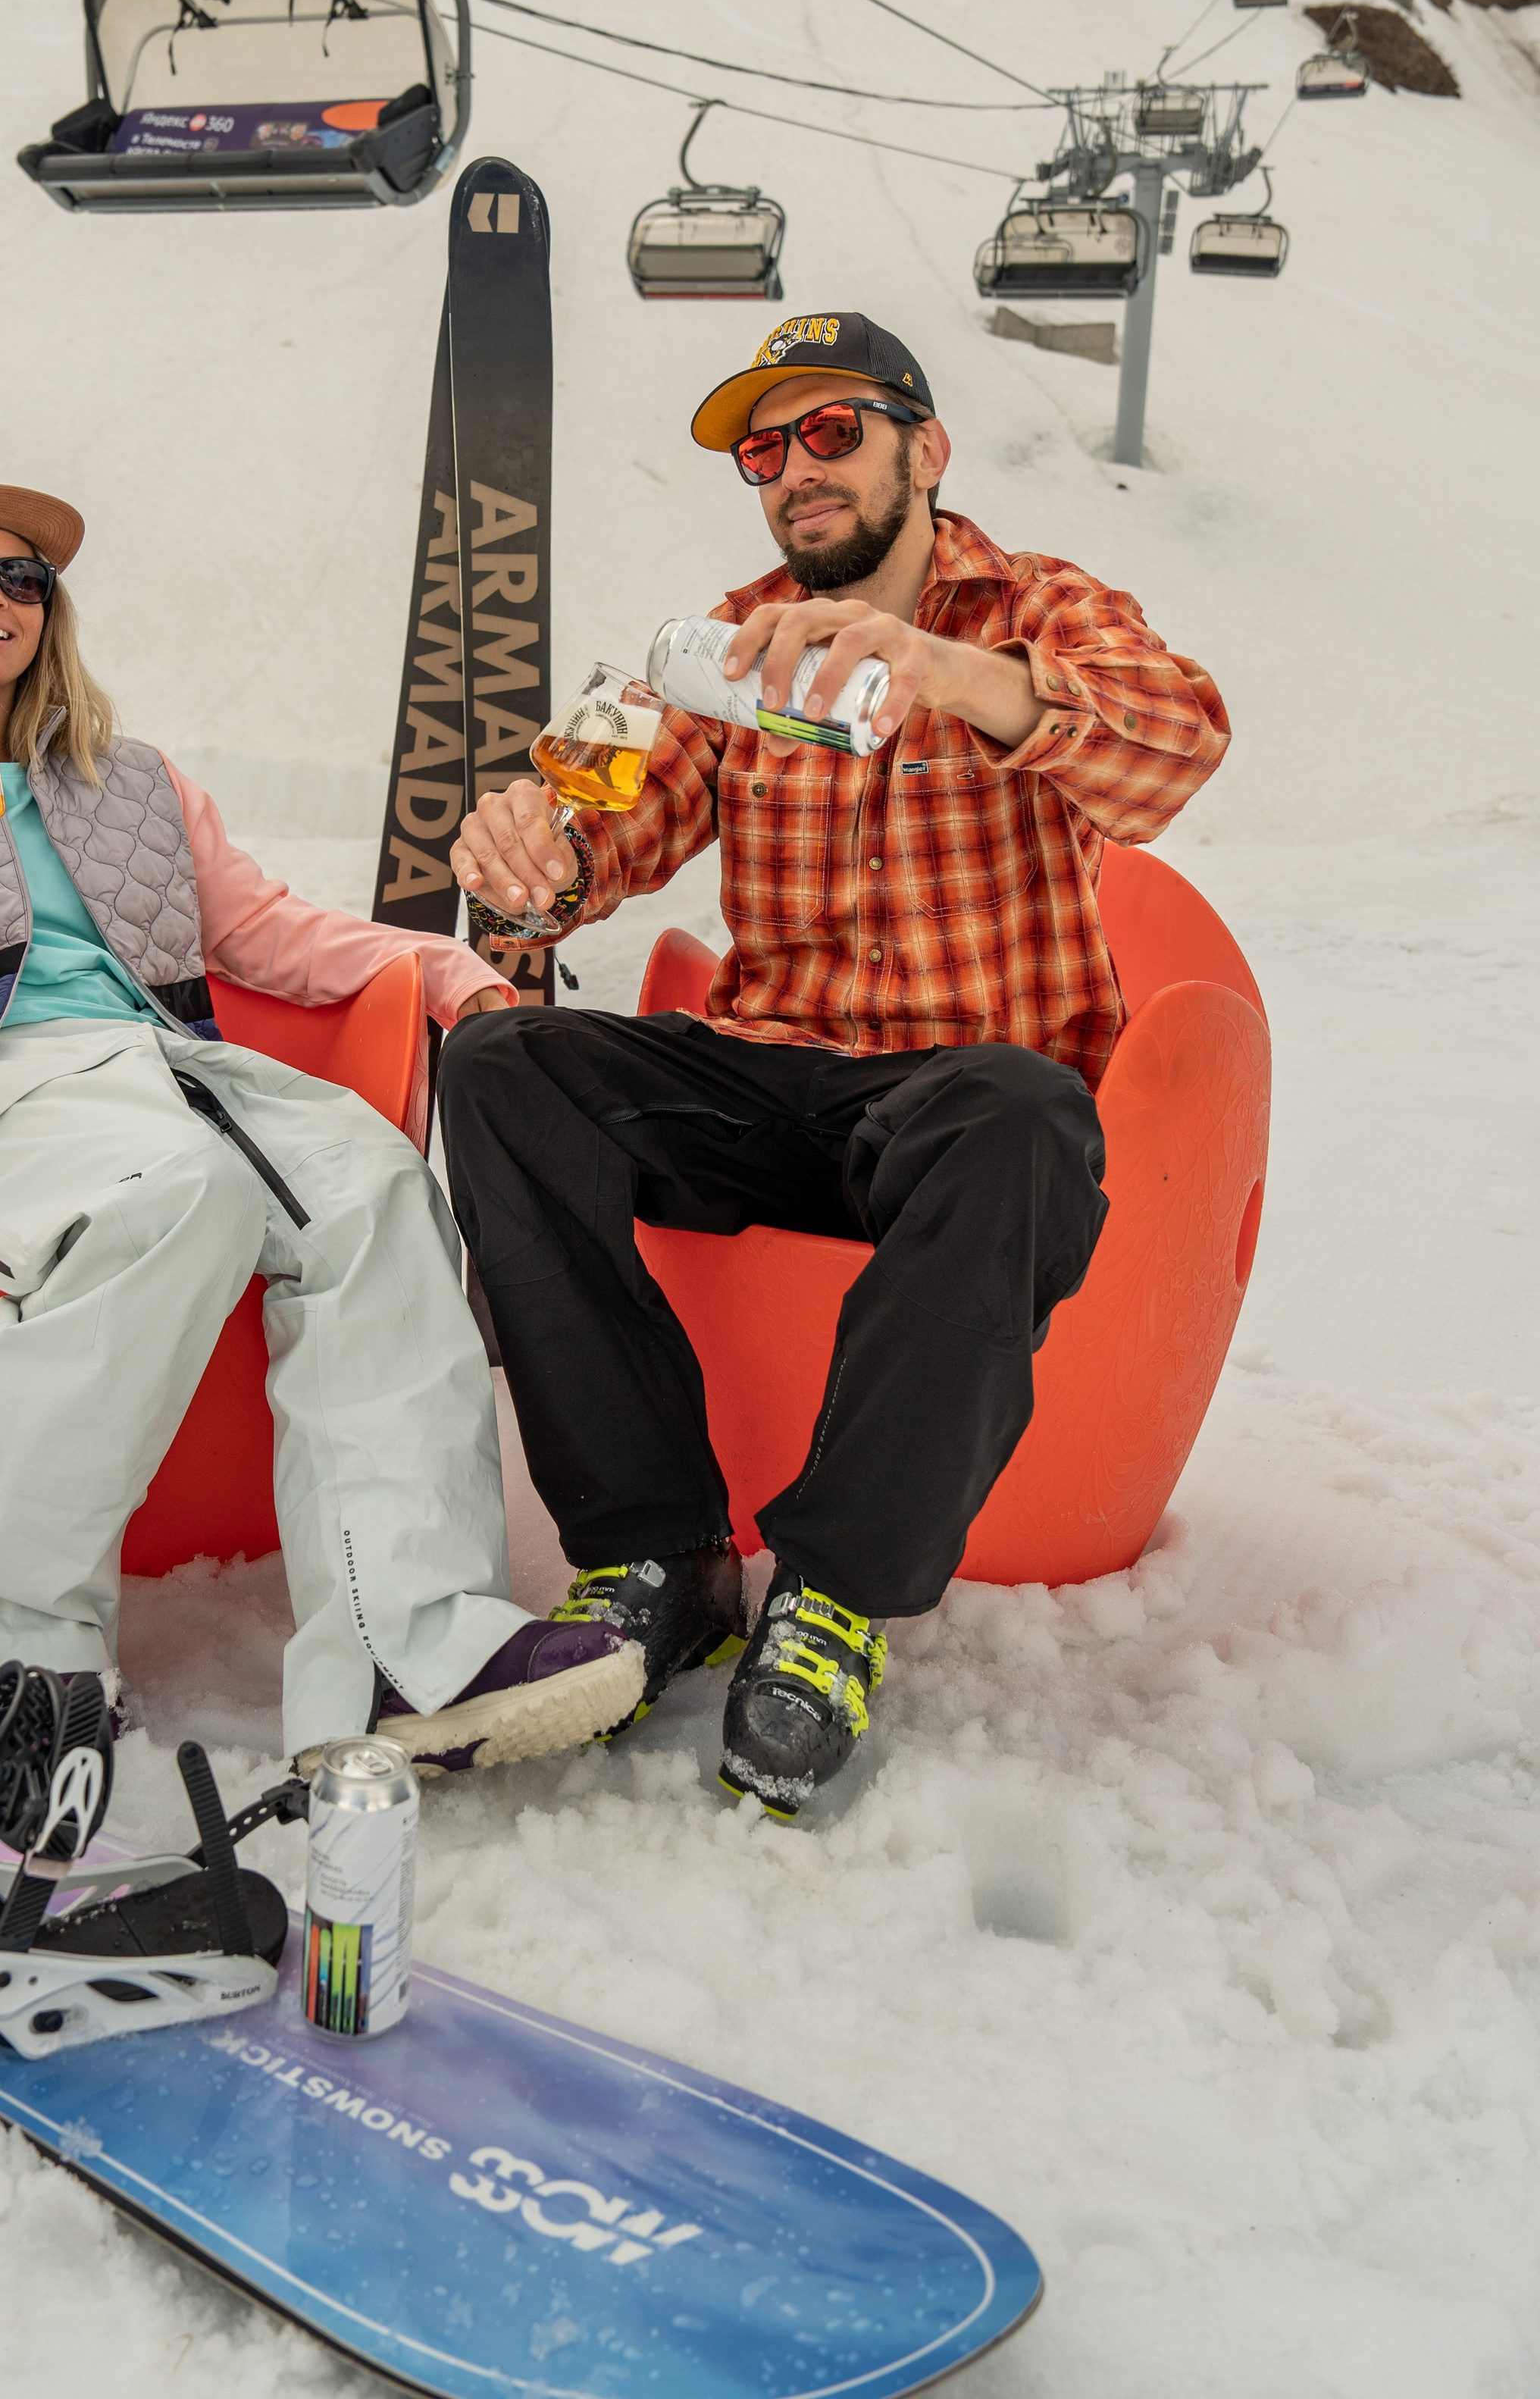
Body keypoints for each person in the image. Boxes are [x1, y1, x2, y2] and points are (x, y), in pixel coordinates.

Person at [0, 478, 643, 1808]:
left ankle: (407, 1651)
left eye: (23, 580)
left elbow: (267, 934)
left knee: (376, 1193)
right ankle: (8, 1661)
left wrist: (441, 969)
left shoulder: (127, 780)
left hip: (171, 1067)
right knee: (168, 1198)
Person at [439, 314, 1230, 1821]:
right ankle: (657, 1556)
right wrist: (533, 854)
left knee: (1020, 1106)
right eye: (764, 448)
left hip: (959, 1106)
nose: (793, 469)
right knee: (503, 1063)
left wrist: (948, 673)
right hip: (767, 1082)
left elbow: (1176, 746)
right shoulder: (729, 642)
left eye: (829, 432)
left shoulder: (1041, 605)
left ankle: (834, 1597)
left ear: (924, 451)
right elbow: (604, 821)